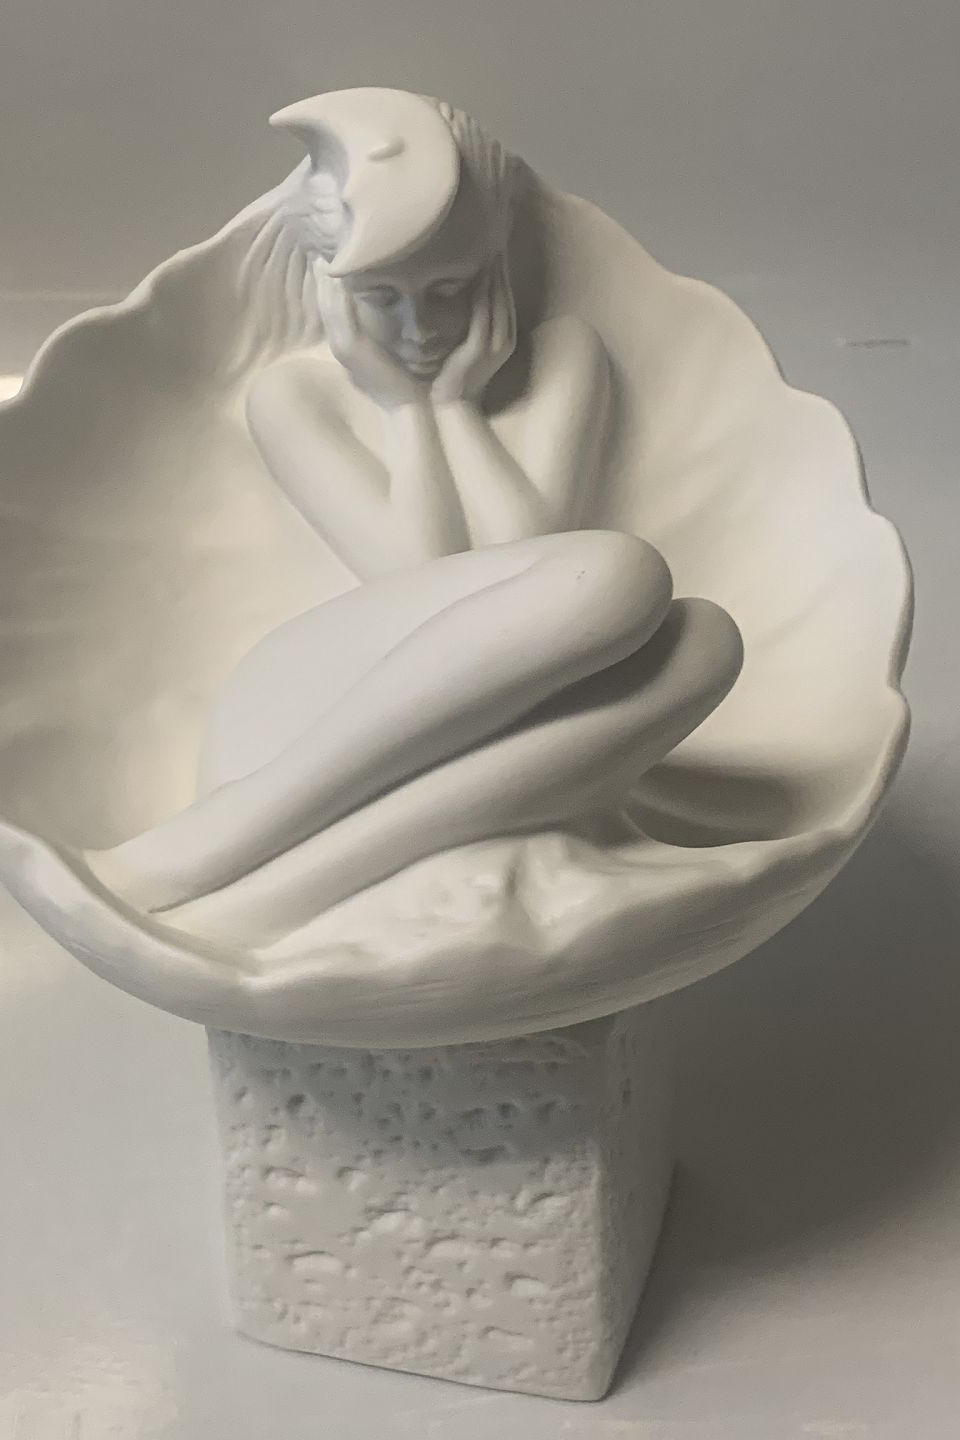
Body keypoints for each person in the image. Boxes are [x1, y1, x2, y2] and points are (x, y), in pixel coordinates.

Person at [86, 91, 742, 933]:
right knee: (622, 572)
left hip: (502, 723)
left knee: (705, 641)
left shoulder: (565, 359)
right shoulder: (295, 398)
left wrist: (455, 406)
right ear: (329, 284)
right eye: (380, 297)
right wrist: (403, 409)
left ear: (494, 269)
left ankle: (269, 895)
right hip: (311, 712)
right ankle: (243, 820)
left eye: (449, 289)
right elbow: (423, 586)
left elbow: (530, 584)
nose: (418, 326)